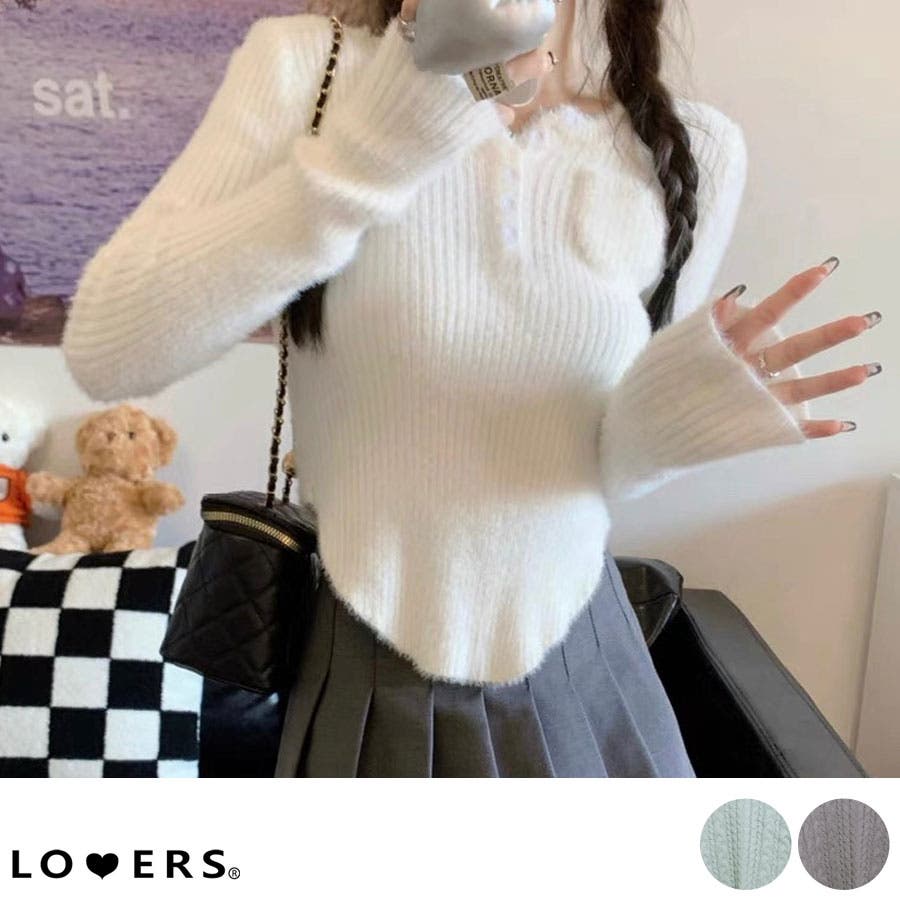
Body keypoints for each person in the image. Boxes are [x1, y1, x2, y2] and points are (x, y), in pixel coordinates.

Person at [61, 0, 881, 776]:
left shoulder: (691, 146)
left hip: (587, 658)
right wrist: (372, 151)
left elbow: (603, 473)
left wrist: (680, 418)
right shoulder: (308, 69)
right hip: (369, 654)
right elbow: (111, 348)